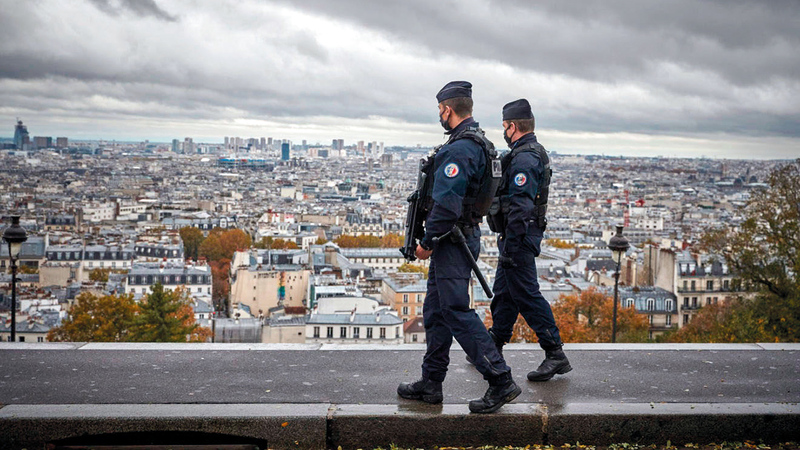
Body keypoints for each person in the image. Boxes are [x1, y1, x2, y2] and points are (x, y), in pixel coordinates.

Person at [397, 81, 521, 414]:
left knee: (454, 311)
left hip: (452, 240)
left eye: (440, 109)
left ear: (447, 109)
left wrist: (425, 242)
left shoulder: (458, 149)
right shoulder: (480, 143)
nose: (440, 114)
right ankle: (431, 382)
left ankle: (500, 379)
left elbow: (447, 205)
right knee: (436, 312)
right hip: (460, 236)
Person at [487, 98, 572, 382]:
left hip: (519, 236)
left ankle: (555, 353)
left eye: (504, 127)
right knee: (505, 293)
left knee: (526, 294)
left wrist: (511, 245)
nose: (503, 132)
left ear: (513, 126)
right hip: (516, 234)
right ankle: (492, 346)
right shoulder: (527, 153)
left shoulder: (525, 157)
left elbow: (521, 206)